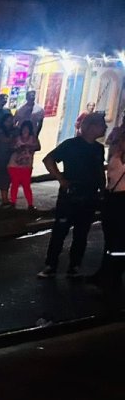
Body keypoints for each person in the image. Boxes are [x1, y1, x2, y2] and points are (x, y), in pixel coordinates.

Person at [37, 112, 107, 278]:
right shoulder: (71, 145)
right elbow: (48, 160)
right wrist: (61, 179)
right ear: (91, 127)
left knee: (82, 233)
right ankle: (51, 264)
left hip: (90, 196)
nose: (104, 128)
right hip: (71, 195)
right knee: (60, 230)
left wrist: (102, 189)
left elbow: (99, 170)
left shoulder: (98, 148)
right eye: (101, 125)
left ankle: (74, 265)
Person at [91, 130, 125, 287]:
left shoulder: (119, 156)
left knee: (118, 239)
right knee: (111, 238)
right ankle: (105, 272)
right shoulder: (116, 154)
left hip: (120, 198)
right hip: (112, 196)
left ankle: (113, 274)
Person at [7, 120, 41, 210]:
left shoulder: (33, 138)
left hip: (27, 165)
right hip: (14, 164)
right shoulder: (17, 138)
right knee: (15, 184)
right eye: (24, 129)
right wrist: (18, 148)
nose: (25, 130)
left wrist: (29, 147)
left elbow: (38, 147)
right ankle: (13, 202)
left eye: (27, 129)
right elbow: (11, 147)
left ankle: (30, 204)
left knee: (26, 185)